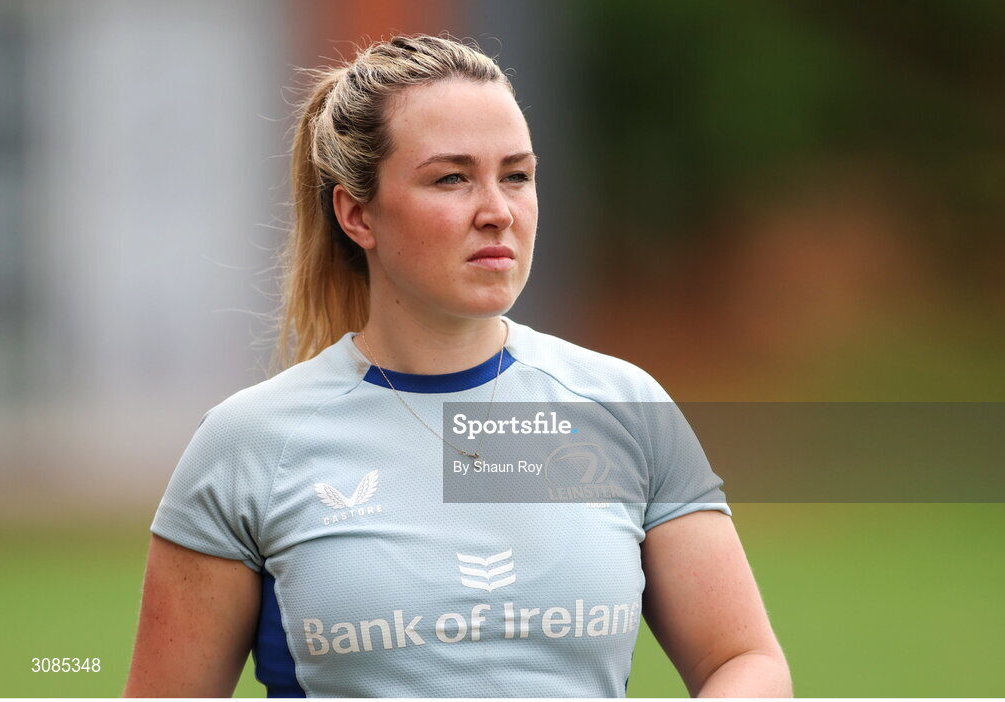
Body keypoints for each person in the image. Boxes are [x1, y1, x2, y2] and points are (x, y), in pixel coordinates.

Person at [124, 33, 792, 698]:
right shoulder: (249, 444)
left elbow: (744, 662)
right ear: (357, 213)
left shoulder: (622, 407)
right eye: (451, 178)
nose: (498, 212)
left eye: (517, 175)